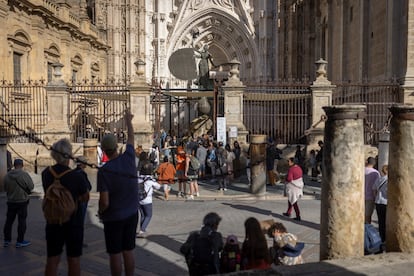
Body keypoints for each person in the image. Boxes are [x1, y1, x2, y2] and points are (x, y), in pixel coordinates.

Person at [97, 110, 138, 276]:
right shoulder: (128, 157)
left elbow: (104, 201)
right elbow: (131, 139)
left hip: (113, 217)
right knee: (128, 250)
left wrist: (100, 212)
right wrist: (128, 121)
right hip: (132, 213)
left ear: (104, 151)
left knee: (115, 253)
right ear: (116, 146)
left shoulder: (104, 171)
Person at [41, 139, 90, 275]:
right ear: (69, 155)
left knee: (52, 259)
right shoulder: (76, 176)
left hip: (52, 222)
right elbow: (86, 197)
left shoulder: (46, 173)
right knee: (73, 260)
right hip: (73, 222)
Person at [3, 159, 34, 248]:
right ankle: (20, 241)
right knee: (22, 221)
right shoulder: (24, 174)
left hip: (11, 201)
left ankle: (7, 240)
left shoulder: (7, 175)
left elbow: (5, 188)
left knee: (9, 221)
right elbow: (31, 187)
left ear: (14, 165)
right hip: (22, 202)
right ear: (22, 165)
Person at [137, 163, 161, 237]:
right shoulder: (150, 180)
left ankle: (142, 230)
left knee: (143, 215)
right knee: (149, 215)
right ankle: (142, 230)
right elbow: (158, 187)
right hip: (147, 200)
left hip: (138, 199)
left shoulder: (138, 178)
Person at [74, 156, 92, 247]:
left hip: (74, 200)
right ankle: (79, 241)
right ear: (82, 164)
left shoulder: (72, 172)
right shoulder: (82, 174)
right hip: (81, 201)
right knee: (80, 222)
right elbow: (88, 186)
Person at [373, 164, 388, 243]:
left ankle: (382, 238)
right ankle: (387, 237)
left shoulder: (379, 179)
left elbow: (374, 190)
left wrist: (377, 197)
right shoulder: (390, 180)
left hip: (378, 202)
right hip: (386, 202)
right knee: (387, 221)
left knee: (380, 221)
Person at [364, 156, 380, 224]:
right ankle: (367, 231)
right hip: (371, 196)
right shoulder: (376, 173)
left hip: (359, 196)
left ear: (367, 162)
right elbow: (377, 185)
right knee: (368, 216)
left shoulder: (361, 170)